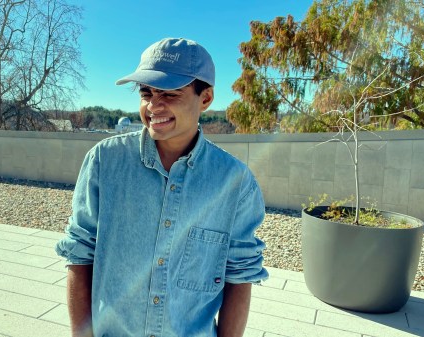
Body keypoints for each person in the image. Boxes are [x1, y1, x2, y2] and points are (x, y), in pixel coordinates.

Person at [56, 37, 268, 337]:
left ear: (205, 98)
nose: (154, 105)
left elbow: (240, 275)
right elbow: (80, 253)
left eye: (169, 93)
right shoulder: (104, 161)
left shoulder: (235, 182)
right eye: (146, 93)